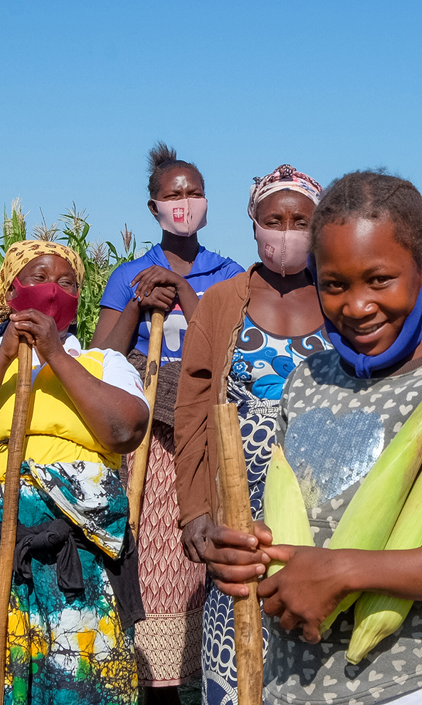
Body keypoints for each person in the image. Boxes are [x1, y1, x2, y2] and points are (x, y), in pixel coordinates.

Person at [203, 171, 422, 705]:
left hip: (407, 685)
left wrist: (345, 571)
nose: (356, 306)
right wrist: (244, 548)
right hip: (287, 685)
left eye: (380, 280)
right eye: (334, 284)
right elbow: (291, 518)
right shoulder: (307, 380)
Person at [0, 240, 150, 705]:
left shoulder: (103, 365)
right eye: (39, 277)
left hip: (82, 558)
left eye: (67, 282)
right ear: (10, 292)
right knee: (1, 690)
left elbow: (125, 431)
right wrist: (5, 357)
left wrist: (54, 354)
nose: (54, 289)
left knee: (84, 688)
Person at [173, 164, 332, 705]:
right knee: (241, 636)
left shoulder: (337, 299)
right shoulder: (222, 302)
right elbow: (193, 409)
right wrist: (195, 512)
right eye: (274, 219)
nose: (285, 232)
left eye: (299, 220)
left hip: (319, 503)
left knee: (315, 635)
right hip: (239, 506)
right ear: (253, 222)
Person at [91, 143, 244, 700]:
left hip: (210, 431)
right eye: (173, 194)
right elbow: (101, 358)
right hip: (151, 445)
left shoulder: (229, 276)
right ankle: (159, 682)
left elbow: (230, 350)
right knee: (157, 565)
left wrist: (182, 293)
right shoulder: (128, 274)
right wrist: (138, 303)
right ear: (153, 206)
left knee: (208, 557)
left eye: (194, 192)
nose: (185, 203)